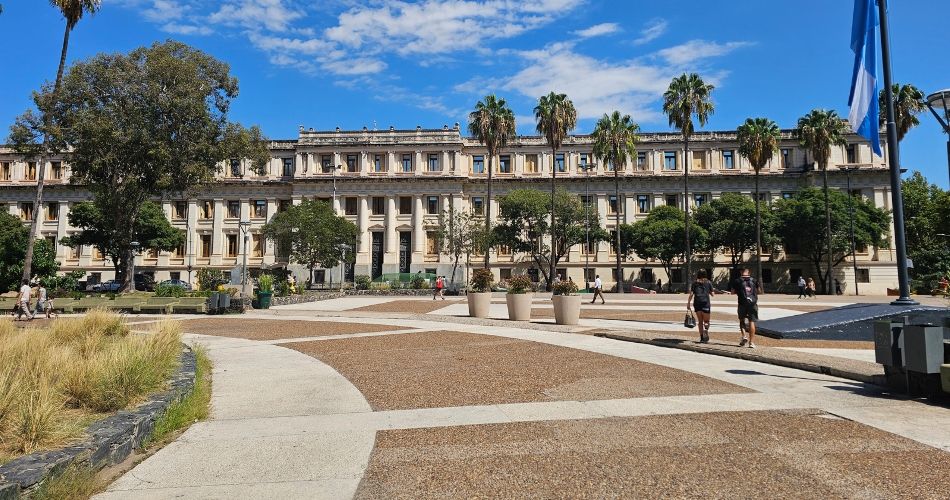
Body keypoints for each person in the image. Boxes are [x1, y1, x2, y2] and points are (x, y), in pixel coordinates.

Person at [729, 268, 761, 348]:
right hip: (752, 303)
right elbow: (759, 291)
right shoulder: (754, 280)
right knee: (751, 321)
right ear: (749, 272)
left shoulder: (737, 281)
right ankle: (751, 342)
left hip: (742, 303)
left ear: (741, 272)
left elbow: (732, 292)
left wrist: (738, 292)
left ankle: (744, 336)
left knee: (742, 320)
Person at [687, 269, 715, 343]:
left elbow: (691, 294)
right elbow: (712, 294)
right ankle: (706, 329)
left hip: (697, 303)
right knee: (706, 321)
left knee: (700, 321)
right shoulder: (708, 282)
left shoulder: (695, 283)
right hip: (705, 303)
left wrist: (688, 303)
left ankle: (702, 337)